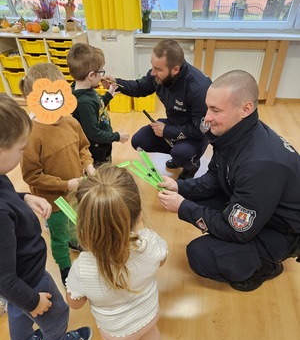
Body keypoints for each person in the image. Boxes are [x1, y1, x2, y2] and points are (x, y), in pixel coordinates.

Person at [158, 70, 300, 292]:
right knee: (203, 201)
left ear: (245, 109)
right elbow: (216, 177)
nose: (206, 117)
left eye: (216, 110)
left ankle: (265, 266)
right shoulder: (235, 133)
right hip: (263, 208)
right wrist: (180, 187)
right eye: (208, 107)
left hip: (283, 230)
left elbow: (237, 230)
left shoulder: (260, 163)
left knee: (200, 255)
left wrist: (184, 207)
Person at [0, 93, 92, 340]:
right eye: (20, 149)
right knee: (54, 311)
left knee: (17, 311)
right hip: (26, 277)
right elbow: (4, 279)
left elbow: (5, 192)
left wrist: (24, 197)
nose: (22, 154)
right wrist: (34, 301)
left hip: (17, 283)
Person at [66, 163, 168, 340]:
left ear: (83, 225)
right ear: (138, 215)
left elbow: (75, 303)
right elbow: (162, 260)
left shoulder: (83, 267)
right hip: (149, 314)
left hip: (117, 331)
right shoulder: (150, 241)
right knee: (151, 334)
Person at [20, 63, 95, 286]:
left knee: (78, 223)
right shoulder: (32, 135)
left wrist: (88, 165)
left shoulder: (71, 122)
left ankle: (76, 241)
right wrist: (65, 184)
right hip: (54, 201)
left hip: (76, 192)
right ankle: (64, 268)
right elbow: (32, 176)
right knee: (60, 237)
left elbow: (83, 147)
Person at [102, 39, 212, 180]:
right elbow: (140, 87)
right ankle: (178, 154)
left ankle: (190, 165)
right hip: (173, 123)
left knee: (182, 154)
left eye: (158, 69)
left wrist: (167, 131)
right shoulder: (159, 75)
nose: (152, 73)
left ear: (175, 69)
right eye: (152, 67)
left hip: (195, 134)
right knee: (138, 141)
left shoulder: (198, 89)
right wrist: (116, 82)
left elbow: (202, 132)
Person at [67, 43, 129, 166]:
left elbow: (97, 108)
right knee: (101, 173)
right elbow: (93, 133)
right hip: (97, 148)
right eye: (100, 71)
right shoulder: (84, 101)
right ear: (91, 75)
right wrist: (116, 136)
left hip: (101, 143)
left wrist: (108, 96)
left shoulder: (86, 90)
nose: (102, 75)